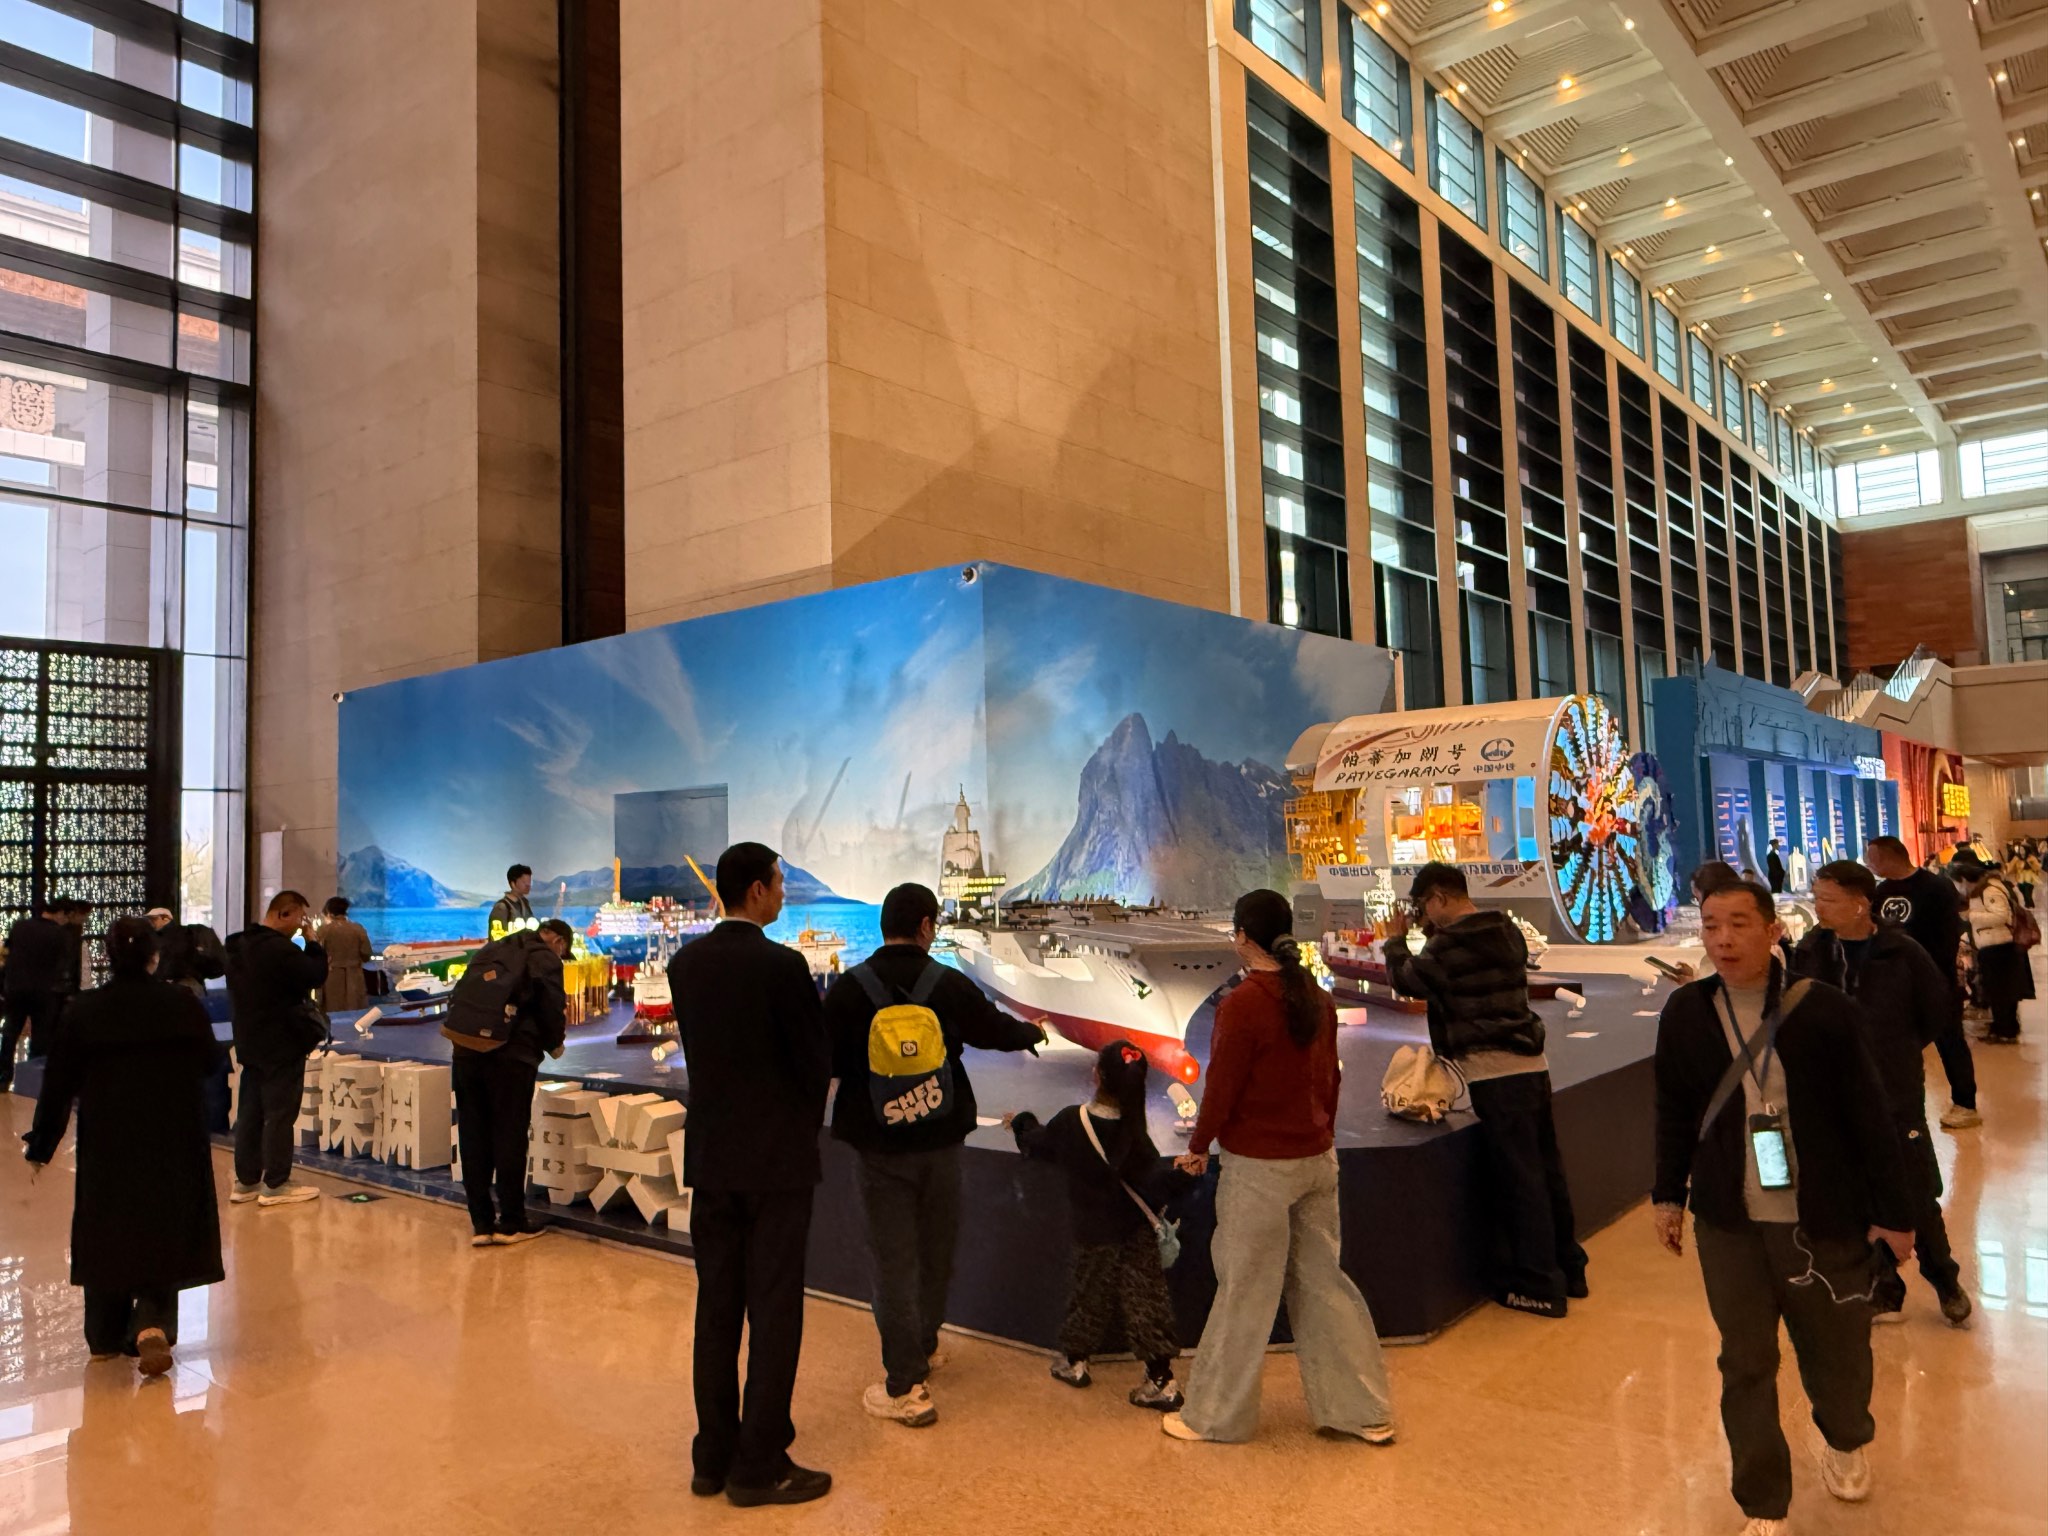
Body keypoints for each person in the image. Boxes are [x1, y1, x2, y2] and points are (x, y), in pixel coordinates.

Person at [1652, 881, 1915, 1536]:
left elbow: (1871, 1116)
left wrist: (1895, 1211)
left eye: (1740, 924)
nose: (1724, 940)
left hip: (1821, 1216)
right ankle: (1763, 1501)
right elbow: (1673, 1111)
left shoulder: (1823, 1011)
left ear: (1773, 931)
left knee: (1837, 1350)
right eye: (1712, 926)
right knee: (1744, 1361)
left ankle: (1846, 1437)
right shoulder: (1686, 1013)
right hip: (1729, 1221)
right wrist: (1666, 1193)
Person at [1164, 889, 1393, 1445]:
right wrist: (1321, 1135)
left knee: (1245, 1290)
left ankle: (1217, 1416)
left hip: (1260, 1169)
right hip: (1317, 1159)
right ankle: (1362, 1412)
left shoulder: (1242, 1004)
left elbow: (1220, 1087)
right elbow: (1329, 1083)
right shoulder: (1315, 996)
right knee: (1325, 1286)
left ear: (1243, 936)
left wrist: (1198, 1144)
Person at [821, 882, 1045, 1428]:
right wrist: (1031, 1032)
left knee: (892, 1261)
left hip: (878, 1147)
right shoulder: (945, 982)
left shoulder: (850, 989)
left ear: (883, 926)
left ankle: (905, 1384)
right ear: (925, 927)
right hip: (942, 1139)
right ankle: (924, 1345)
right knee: (936, 1248)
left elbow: (822, 1056)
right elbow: (993, 1030)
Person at [667, 842, 832, 1508]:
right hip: (776, 1165)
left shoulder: (685, 964)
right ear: (758, 891)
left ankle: (712, 1456)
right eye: (781, 883)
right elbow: (812, 1063)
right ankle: (759, 1464)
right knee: (773, 1312)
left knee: (716, 1309)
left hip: (712, 1158)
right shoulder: (782, 965)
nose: (784, 893)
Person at [23, 915, 225, 1377]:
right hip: (173, 1136)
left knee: (107, 1224)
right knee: (165, 1222)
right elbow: (211, 1062)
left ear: (107, 958)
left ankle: (104, 1335)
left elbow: (58, 1083)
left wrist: (42, 1144)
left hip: (109, 1137)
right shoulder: (180, 1004)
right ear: (154, 956)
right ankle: (153, 1320)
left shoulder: (85, 1010)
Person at [1385, 862, 1586, 1318]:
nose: (1422, 915)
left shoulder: (1453, 942)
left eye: (1422, 906)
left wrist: (1397, 939)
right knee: (1547, 1171)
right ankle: (1570, 1270)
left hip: (1495, 1072)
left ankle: (1538, 1286)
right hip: (1534, 1065)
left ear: (1438, 898)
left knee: (1521, 1181)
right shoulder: (1505, 930)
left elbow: (1408, 980)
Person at [1793, 862, 1972, 1327]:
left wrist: (1894, 1050)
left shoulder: (1901, 952)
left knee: (1914, 1194)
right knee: (1856, 1194)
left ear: (1859, 903)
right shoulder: (1813, 950)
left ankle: (1945, 1281)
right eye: (1816, 897)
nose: (1818, 907)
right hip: (1833, 1095)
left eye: (1827, 899)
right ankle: (1884, 1286)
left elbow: (1936, 1012)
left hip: (1894, 1093)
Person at [1007, 1041, 1193, 1411]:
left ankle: (1075, 1362)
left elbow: (1038, 1144)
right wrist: (1186, 1176)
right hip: (1136, 1229)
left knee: (1088, 1294)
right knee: (1146, 1300)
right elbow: (1156, 1184)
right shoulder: (1137, 1134)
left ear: (1097, 1075)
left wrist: (1021, 1122)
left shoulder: (1071, 1122)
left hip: (1093, 1231)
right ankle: (1161, 1380)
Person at [450, 917, 572, 1248]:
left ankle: (481, 1223)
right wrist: (555, 1043)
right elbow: (551, 1007)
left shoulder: (494, 948)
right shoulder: (544, 957)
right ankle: (512, 1222)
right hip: (510, 1054)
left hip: (466, 1048)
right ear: (558, 942)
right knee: (509, 1132)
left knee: (473, 1133)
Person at [224, 890, 329, 1207]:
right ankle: (276, 1183)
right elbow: (315, 975)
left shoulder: (237, 945)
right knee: (280, 1114)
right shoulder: (279, 951)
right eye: (299, 918)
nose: (301, 925)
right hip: (281, 1043)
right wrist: (312, 942)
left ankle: (245, 1181)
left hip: (248, 1040)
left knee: (250, 1112)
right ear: (284, 914)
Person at [1864, 835, 1976, 1128]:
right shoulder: (1882, 891)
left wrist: (1941, 977)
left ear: (1889, 857)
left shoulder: (1936, 887)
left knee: (1950, 1041)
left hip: (1937, 979)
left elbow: (1950, 936)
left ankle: (1965, 1103)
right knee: (1897, 1047)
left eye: (1871, 858)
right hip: (1894, 983)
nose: (1869, 863)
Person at [1950, 850, 2033, 1045]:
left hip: (1999, 946)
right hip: (1992, 945)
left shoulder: (1990, 890)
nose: (1959, 888)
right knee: (1998, 991)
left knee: (2002, 992)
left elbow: (2001, 916)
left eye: (1958, 883)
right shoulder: (1984, 889)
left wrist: (1971, 916)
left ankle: (2006, 1031)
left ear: (1964, 879)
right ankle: (2001, 1027)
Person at [2, 899, 69, 1092]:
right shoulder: (59, 934)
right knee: (40, 1037)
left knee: (11, 1031)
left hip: (16, 989)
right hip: (44, 992)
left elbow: (8, 951)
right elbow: (61, 963)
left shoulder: (20, 927)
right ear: (59, 914)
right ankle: (31, 1082)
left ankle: (3, 1077)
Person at [147, 908, 226, 1000]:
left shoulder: (155, 938)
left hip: (177, 987)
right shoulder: (189, 934)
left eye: (153, 919)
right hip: (189, 987)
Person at [318, 897, 373, 1013]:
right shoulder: (358, 929)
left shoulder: (323, 930)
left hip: (331, 977)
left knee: (333, 1012)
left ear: (328, 912)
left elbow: (317, 954)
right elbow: (366, 953)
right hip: (355, 976)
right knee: (356, 1012)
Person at [488, 864, 536, 938]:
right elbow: (496, 938)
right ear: (513, 883)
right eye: (524, 882)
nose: (528, 885)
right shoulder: (501, 907)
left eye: (529, 882)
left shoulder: (525, 903)